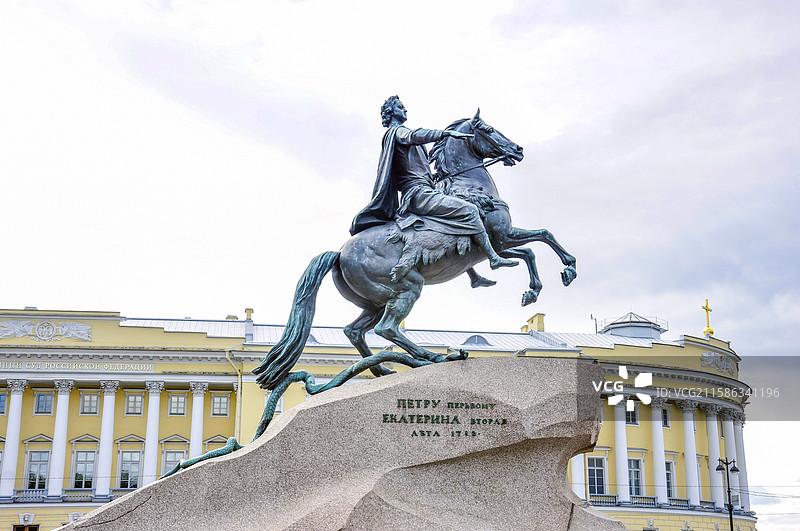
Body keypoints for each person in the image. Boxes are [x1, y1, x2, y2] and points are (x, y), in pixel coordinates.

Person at [350, 96, 517, 271]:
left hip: (424, 190)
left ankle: (472, 274)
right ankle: (493, 258)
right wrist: (444, 134)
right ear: (391, 113)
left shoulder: (402, 137)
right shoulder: (397, 132)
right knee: (470, 211)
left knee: (454, 215)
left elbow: (415, 167)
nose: (405, 110)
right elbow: (414, 135)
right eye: (400, 107)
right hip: (418, 195)